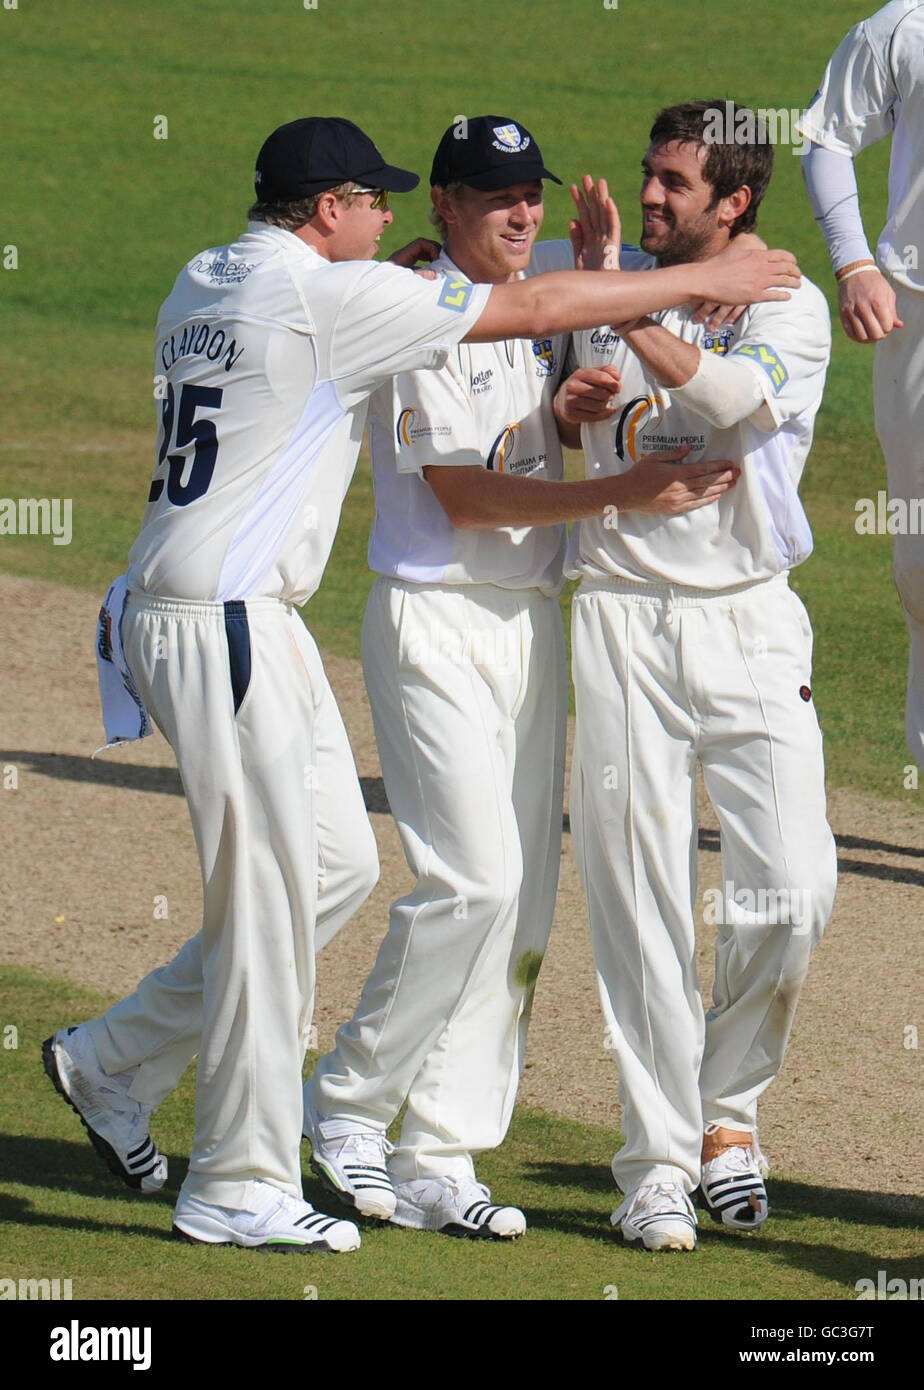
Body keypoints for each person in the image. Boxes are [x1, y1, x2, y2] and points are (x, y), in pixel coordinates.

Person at [42, 113, 799, 1255]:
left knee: (336, 870)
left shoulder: (208, 273)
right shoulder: (339, 295)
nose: (389, 218)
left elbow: (529, 303)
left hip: (242, 611)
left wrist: (578, 338)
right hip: (224, 616)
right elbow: (534, 312)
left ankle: (114, 1062)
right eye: (376, 201)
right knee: (274, 905)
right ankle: (240, 1177)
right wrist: (712, 275)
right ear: (330, 211)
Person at [302, 116, 744, 1241]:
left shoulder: (515, 306)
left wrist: (561, 413)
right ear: (442, 205)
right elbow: (465, 497)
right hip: (434, 616)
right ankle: (347, 1104)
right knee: (474, 883)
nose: (521, 213)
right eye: (494, 196)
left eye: (529, 194)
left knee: (518, 907)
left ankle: (440, 1148)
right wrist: (619, 493)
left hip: (528, 622)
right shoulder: (420, 313)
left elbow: (515, 439)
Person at [555, 101, 838, 1251]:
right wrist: (571, 393)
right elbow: (586, 432)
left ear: (736, 204)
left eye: (677, 183)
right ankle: (659, 1161)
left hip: (750, 621)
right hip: (621, 609)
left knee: (796, 887)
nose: (653, 197)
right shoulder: (604, 286)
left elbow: (729, 405)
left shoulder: (792, 303)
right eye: (649, 177)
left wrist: (642, 301)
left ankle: (729, 1109)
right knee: (638, 895)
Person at [798, 1, 924, 772]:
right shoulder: (908, 23)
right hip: (919, 316)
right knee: (920, 565)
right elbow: (826, 137)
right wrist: (854, 263)